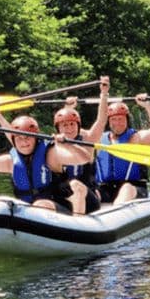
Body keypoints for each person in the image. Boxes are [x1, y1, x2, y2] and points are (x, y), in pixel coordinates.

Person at [0, 115, 90, 213]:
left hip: (55, 207)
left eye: (27, 137)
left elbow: (84, 158)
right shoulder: (11, 161)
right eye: (19, 138)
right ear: (14, 141)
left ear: (35, 138)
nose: (24, 142)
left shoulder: (50, 155)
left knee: (40, 204)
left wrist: (69, 145)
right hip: (26, 210)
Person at [49, 76, 110, 214]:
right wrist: (68, 107)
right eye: (65, 125)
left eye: (72, 124)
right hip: (64, 194)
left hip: (87, 195)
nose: (69, 128)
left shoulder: (87, 139)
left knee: (76, 185)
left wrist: (104, 94)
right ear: (58, 128)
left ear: (78, 125)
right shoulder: (55, 142)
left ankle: (78, 223)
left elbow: (101, 120)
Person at [96, 93, 150, 205]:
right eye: (114, 119)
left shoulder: (137, 138)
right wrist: (69, 109)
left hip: (133, 188)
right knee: (88, 190)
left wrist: (148, 106)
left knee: (126, 188)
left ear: (127, 120)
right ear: (108, 121)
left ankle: (116, 213)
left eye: (121, 119)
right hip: (105, 190)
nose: (117, 123)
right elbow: (72, 134)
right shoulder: (99, 139)